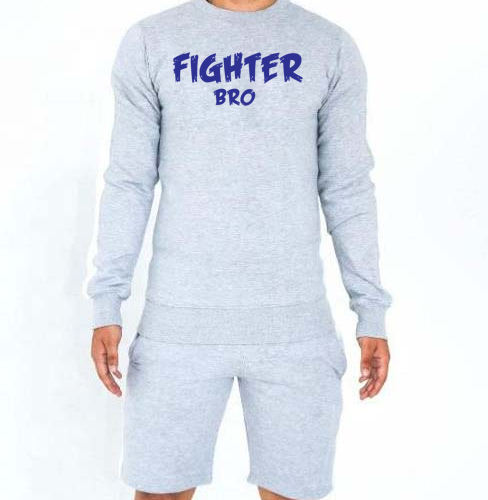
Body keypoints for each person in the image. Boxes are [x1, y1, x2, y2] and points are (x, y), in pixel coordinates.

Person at [87, 0, 392, 498]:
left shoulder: (329, 46)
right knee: (160, 492)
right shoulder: (151, 41)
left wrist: (370, 310)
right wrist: (107, 300)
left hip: (295, 329)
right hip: (177, 327)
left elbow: (348, 186)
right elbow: (129, 181)